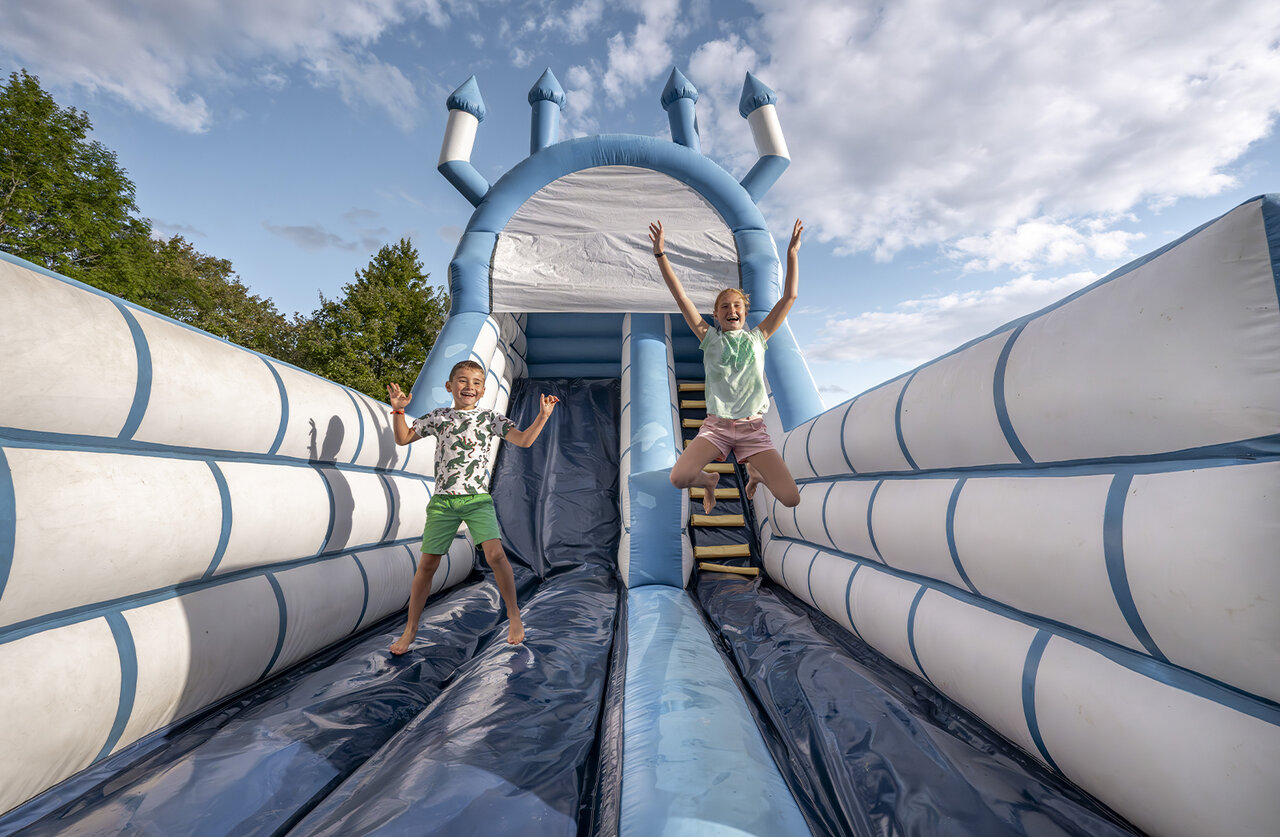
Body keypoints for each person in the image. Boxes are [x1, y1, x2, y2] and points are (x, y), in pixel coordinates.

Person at [385, 360, 558, 653]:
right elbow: (402, 439)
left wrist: (542, 416)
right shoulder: (439, 417)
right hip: (443, 501)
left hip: (476, 499)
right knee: (427, 564)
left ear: (483, 390)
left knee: (496, 555)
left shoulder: (490, 418)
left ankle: (515, 617)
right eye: (463, 381)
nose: (470, 386)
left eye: (476, 382)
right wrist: (399, 410)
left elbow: (525, 441)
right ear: (450, 387)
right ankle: (410, 629)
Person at [649, 218, 803, 514]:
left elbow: (789, 297)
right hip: (716, 428)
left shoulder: (759, 337)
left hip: (752, 429)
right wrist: (660, 255)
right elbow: (681, 297)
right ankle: (709, 480)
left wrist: (792, 254)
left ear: (745, 313)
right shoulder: (709, 338)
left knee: (791, 498)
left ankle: (755, 472)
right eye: (724, 307)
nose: (731, 310)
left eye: (737, 306)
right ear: (716, 316)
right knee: (679, 478)